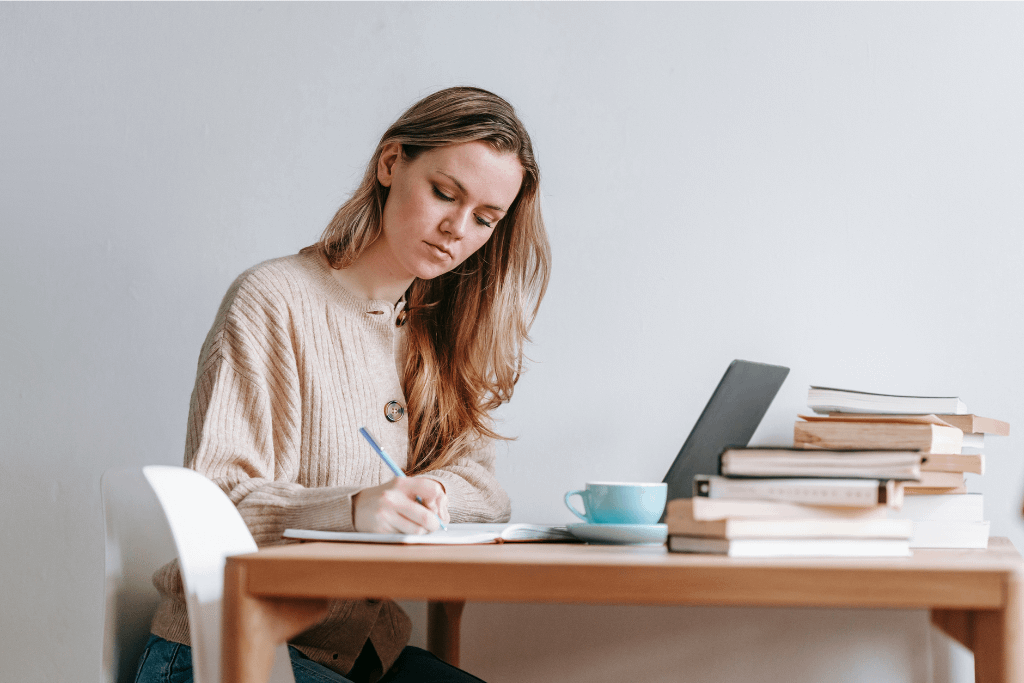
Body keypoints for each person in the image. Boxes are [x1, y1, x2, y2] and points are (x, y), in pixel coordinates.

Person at [135, 86, 551, 683]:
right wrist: (355, 509)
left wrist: (427, 494)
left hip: (360, 657)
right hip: (219, 651)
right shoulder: (273, 301)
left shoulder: (438, 332)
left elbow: (483, 490)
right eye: (444, 193)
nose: (457, 229)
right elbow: (217, 505)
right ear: (390, 164)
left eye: (485, 219)